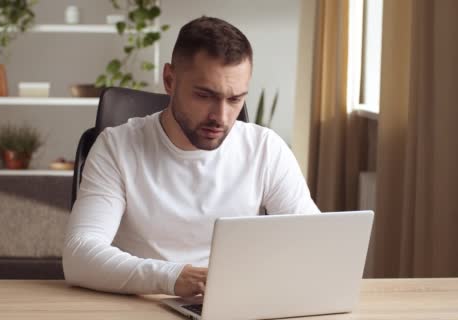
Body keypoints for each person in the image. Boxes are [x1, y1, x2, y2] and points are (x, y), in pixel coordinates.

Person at [63, 16, 320, 297]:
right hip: (142, 303)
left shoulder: (266, 149)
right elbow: (79, 255)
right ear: (169, 80)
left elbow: (313, 244)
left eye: (235, 99)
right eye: (204, 95)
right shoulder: (117, 147)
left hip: (234, 306)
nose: (220, 117)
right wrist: (173, 277)